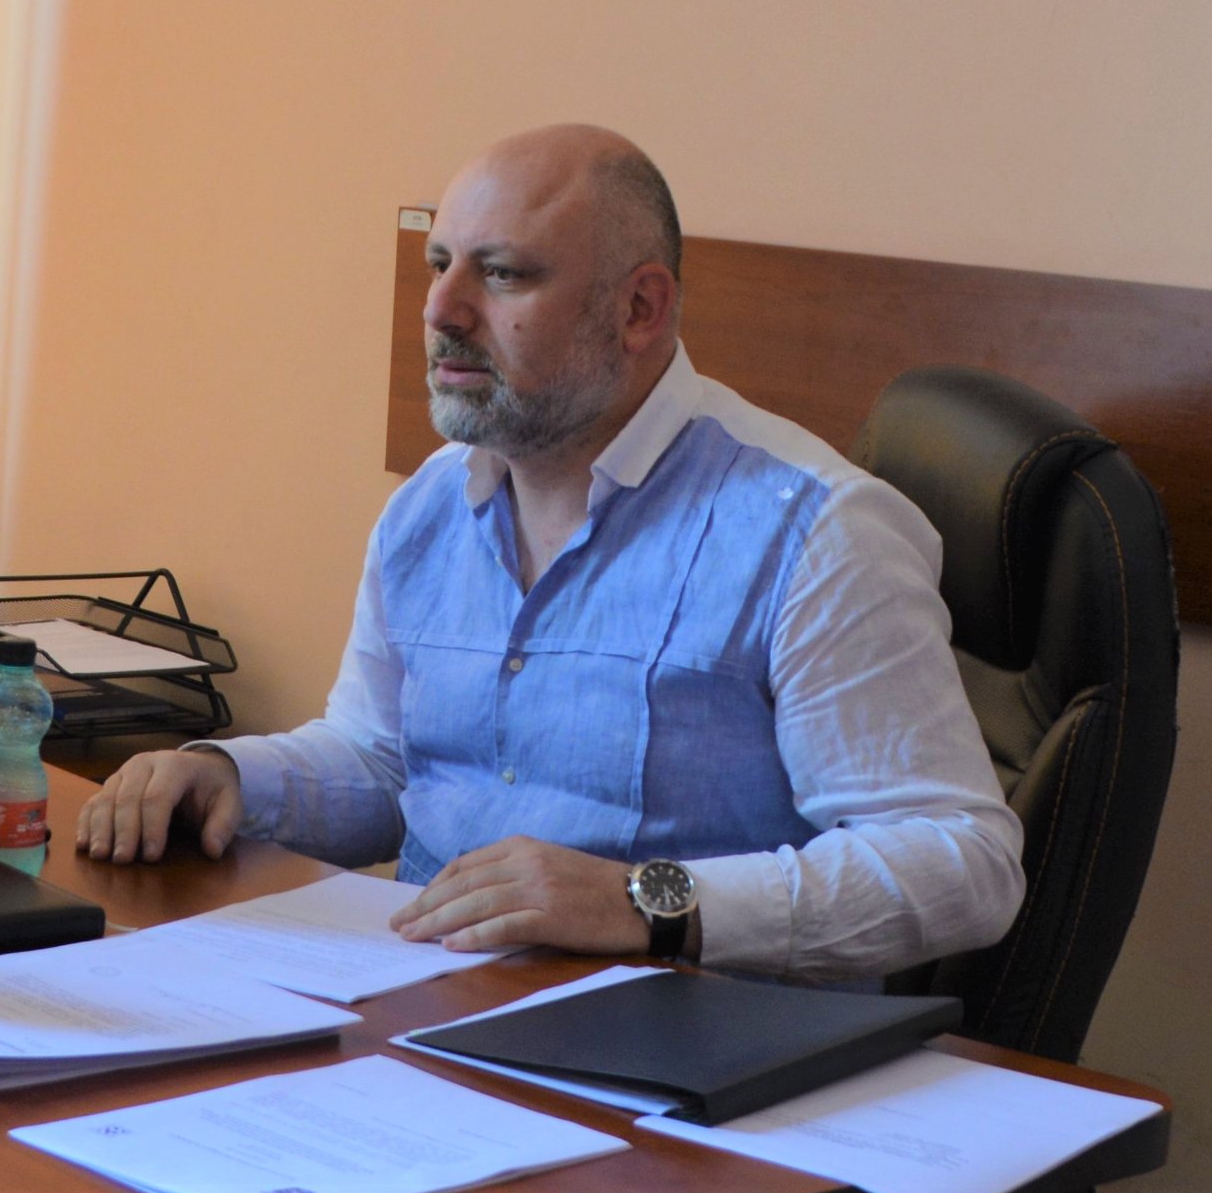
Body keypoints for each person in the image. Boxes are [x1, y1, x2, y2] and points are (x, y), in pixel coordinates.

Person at [75, 125, 1024, 979]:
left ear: (639, 308)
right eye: (439, 262)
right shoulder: (427, 510)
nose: (441, 309)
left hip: (687, 1053)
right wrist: (232, 776)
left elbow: (966, 862)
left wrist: (647, 902)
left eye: (501, 274)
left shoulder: (813, 530)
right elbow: (388, 760)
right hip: (428, 1010)